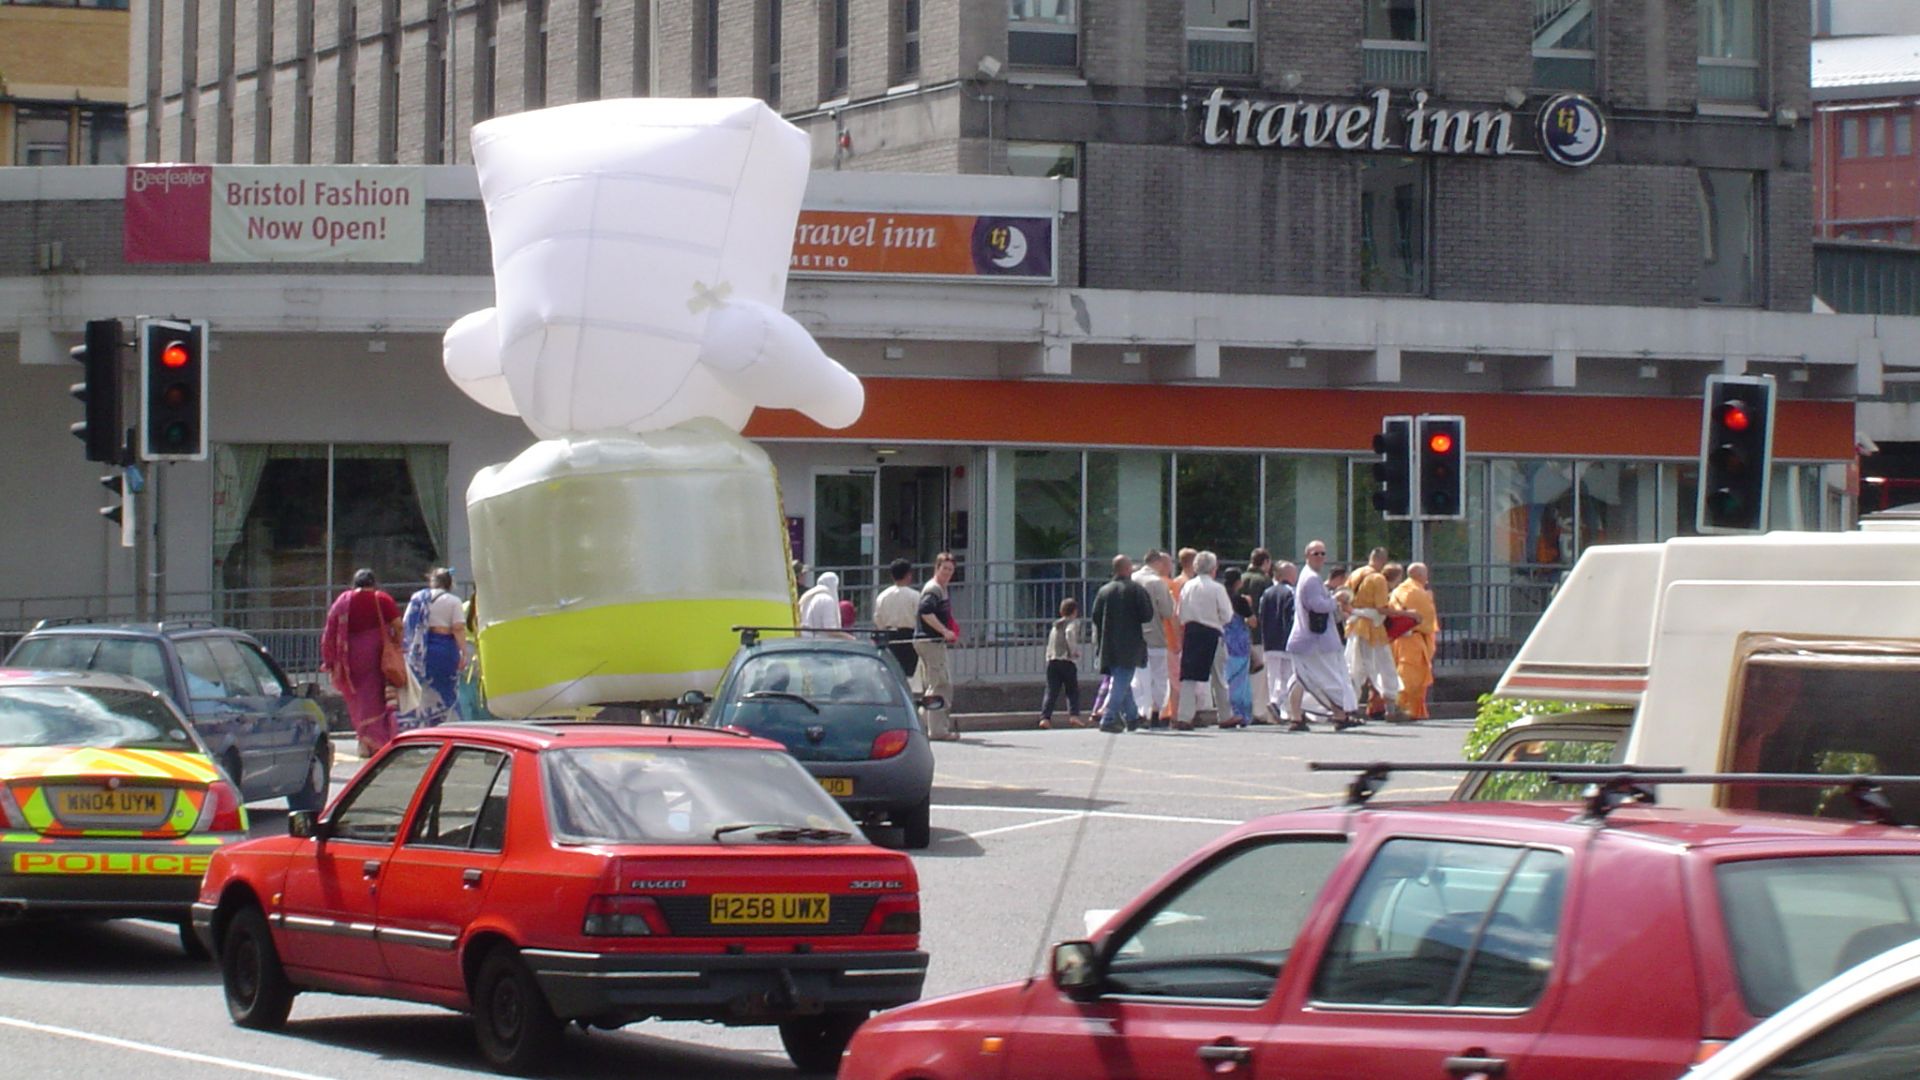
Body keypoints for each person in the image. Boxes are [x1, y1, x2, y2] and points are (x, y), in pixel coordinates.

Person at [320, 568, 401, 756]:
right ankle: (381, 742)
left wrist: (329, 661)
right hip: (378, 656)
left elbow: (329, 633)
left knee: (358, 701)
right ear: (374, 583)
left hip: (350, 660)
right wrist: (396, 644)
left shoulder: (343, 601)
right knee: (377, 699)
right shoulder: (382, 599)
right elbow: (398, 625)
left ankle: (364, 741)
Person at [1287, 541, 1359, 730]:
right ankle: (1340, 714)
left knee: (1301, 678)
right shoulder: (1311, 578)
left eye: (1322, 554)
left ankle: (1295, 717)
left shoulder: (1307, 576)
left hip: (1304, 639)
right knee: (1328, 678)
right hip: (1314, 640)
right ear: (1307, 556)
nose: (1319, 557)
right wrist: (1336, 600)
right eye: (1315, 553)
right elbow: (1317, 605)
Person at [1089, 554, 1151, 734]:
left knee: (1121, 680)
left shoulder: (1104, 591)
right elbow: (1147, 615)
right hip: (1129, 644)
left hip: (1108, 644)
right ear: (1127, 569)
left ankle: (1132, 717)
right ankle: (1108, 718)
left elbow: (1095, 616)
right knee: (1122, 681)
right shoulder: (1135, 590)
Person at [400, 567, 467, 731]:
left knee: (423, 689)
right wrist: (463, 652)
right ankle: (447, 724)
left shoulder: (417, 598)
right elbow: (458, 628)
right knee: (446, 688)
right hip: (444, 648)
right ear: (450, 583)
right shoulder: (453, 601)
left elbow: (406, 623)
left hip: (419, 650)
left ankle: (423, 725)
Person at [1175, 552, 1231, 731]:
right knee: (1218, 677)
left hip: (1191, 632)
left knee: (1188, 677)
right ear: (1214, 569)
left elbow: (1179, 613)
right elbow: (1227, 614)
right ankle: (1225, 715)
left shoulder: (1187, 587)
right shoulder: (1217, 588)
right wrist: (1218, 621)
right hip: (1212, 632)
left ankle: (1184, 717)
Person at [1346, 547, 1402, 722]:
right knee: (1384, 666)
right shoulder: (1378, 579)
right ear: (1382, 560)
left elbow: (1344, 599)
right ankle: (1390, 709)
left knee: (1354, 668)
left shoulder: (1355, 574)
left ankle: (1350, 707)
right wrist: (1407, 615)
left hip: (1355, 626)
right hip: (1373, 628)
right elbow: (1380, 607)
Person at [913, 553, 960, 740]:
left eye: (951, 570)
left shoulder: (940, 588)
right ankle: (938, 730)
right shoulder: (934, 589)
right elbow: (925, 611)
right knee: (940, 683)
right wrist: (944, 631)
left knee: (933, 683)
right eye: (945, 568)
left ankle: (923, 724)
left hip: (928, 641)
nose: (948, 573)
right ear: (937, 568)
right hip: (930, 641)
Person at [1130, 550, 1178, 731]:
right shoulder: (1157, 582)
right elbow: (1167, 611)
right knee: (1158, 677)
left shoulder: (1132, 579)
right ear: (1157, 562)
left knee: (1139, 677)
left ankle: (1141, 711)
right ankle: (1155, 711)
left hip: (1134, 637)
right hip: (1155, 636)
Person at [1392, 562, 1440, 721]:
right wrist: (1428, 599)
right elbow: (1427, 617)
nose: (1427, 578)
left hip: (1399, 637)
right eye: (1425, 575)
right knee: (1411, 675)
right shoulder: (1416, 592)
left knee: (1406, 672)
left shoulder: (1399, 590)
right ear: (1420, 575)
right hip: (1414, 638)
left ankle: (1412, 709)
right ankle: (1402, 707)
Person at [1259, 561, 1298, 725]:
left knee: (1273, 676)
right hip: (1286, 641)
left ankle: (1276, 708)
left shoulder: (1267, 593)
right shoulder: (1291, 592)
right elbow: (1292, 618)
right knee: (1289, 676)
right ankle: (1281, 706)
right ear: (1288, 575)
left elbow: (1262, 616)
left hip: (1270, 641)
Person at [1039, 598, 1085, 728]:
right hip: (1066, 660)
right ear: (1075, 611)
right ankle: (1074, 716)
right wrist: (1073, 651)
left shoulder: (1055, 625)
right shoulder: (1073, 623)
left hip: (1052, 660)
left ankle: (1045, 718)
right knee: (1072, 690)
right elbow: (1069, 634)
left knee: (1051, 690)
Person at [873, 558, 921, 679]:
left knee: (892, 674)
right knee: (909, 675)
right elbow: (920, 618)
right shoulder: (915, 596)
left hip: (890, 638)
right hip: (909, 638)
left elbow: (878, 619)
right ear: (908, 575)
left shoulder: (882, 596)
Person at [1219, 568, 1255, 729]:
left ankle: (1226, 712)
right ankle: (1241, 713)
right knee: (1241, 678)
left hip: (1222, 639)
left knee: (1224, 678)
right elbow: (1252, 621)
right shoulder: (1239, 600)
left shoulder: (1220, 596)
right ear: (1238, 582)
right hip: (1239, 642)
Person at [799, 571, 849, 638]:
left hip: (803, 639)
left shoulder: (808, 596)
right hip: (820, 642)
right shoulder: (827, 600)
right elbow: (830, 630)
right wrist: (849, 638)